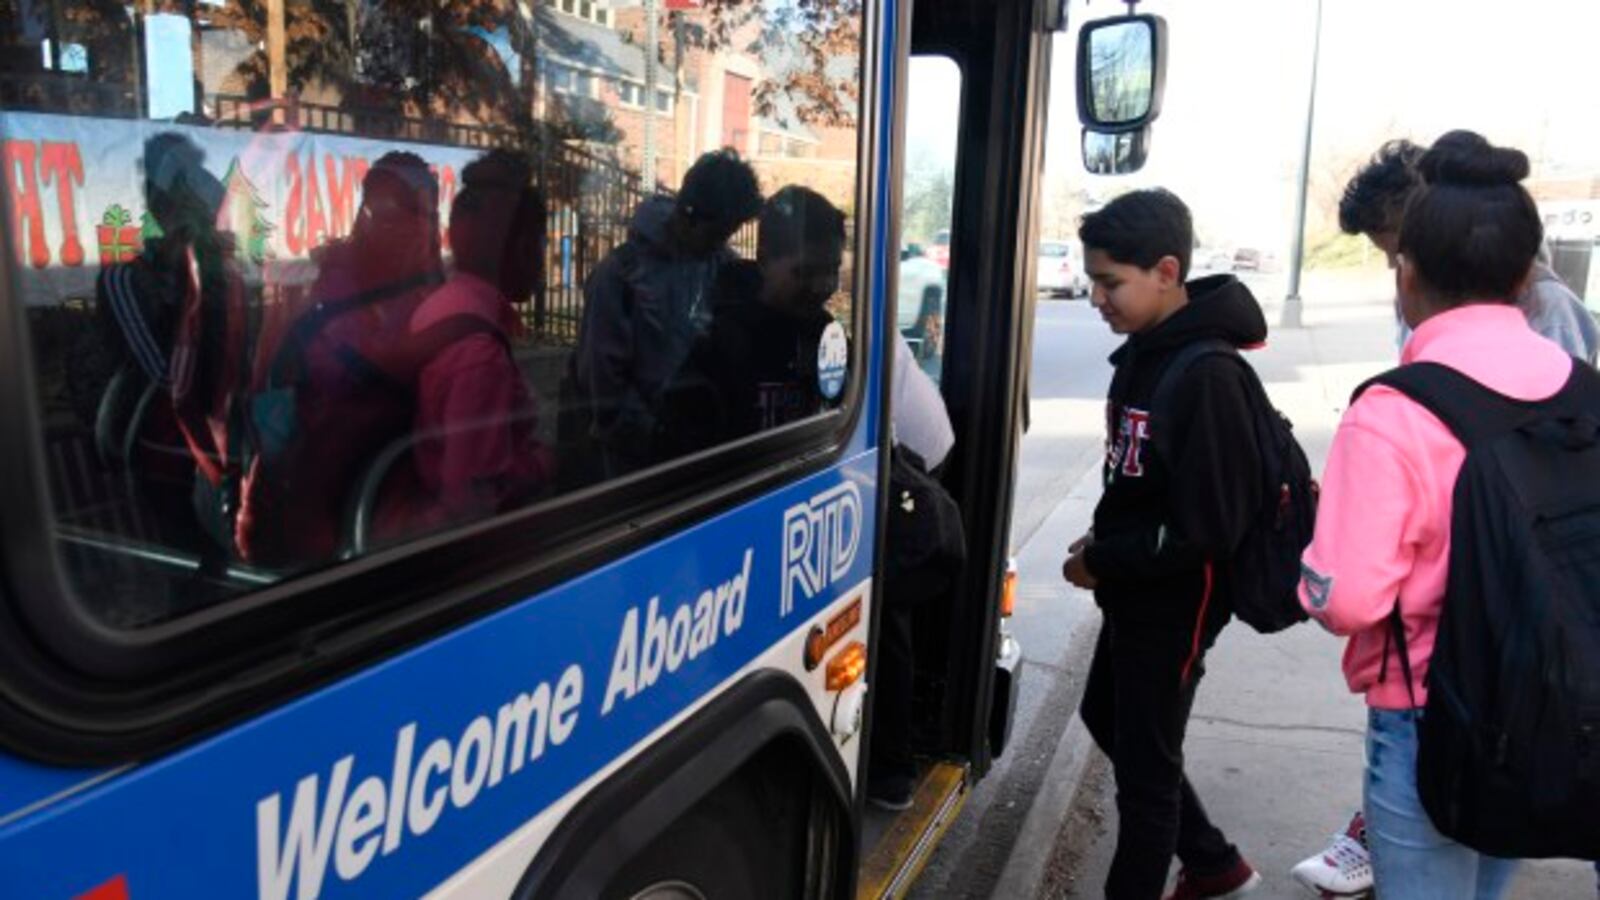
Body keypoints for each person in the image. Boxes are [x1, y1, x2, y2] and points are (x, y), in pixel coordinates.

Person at [1292, 136, 1599, 896]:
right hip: (1547, 701)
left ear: (1407, 272)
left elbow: (1351, 599)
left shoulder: (1393, 410)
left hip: (1431, 713)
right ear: (1525, 276)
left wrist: (1311, 576)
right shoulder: (1585, 388)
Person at [1061, 189, 1264, 900]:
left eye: (1110, 281)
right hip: (1135, 587)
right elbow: (1141, 478)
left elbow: (1208, 527)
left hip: (1175, 603)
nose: (1096, 297)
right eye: (1091, 280)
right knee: (1104, 715)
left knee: (1147, 782)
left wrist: (1104, 559)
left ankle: (1201, 869)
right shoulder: (1148, 353)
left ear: (1167, 271)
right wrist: (1106, 539)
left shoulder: (1208, 375)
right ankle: (1212, 862)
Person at [375, 149, 554, 539]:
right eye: (541, 242)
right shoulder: (480, 355)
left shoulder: (445, 305)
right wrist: (543, 462)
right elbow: (471, 504)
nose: (543, 258)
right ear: (521, 247)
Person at [564, 149, 764, 482]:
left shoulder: (720, 265)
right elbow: (601, 378)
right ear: (688, 215)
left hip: (698, 446)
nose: (721, 244)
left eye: (727, 235)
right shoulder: (620, 275)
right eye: (716, 233)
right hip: (636, 460)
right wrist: (651, 435)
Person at [1334, 138, 1597, 361]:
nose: (1394, 266)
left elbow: (1567, 415)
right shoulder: (1417, 294)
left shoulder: (1548, 307)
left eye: (1400, 250)